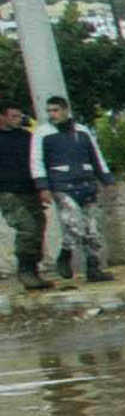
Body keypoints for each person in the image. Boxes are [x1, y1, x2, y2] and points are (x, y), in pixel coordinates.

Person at [32, 96, 115, 284]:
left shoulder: (82, 131)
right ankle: (65, 253)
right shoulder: (43, 133)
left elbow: (96, 156)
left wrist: (107, 178)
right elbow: (36, 160)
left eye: (55, 110)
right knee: (74, 224)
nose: (52, 114)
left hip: (86, 183)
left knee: (93, 228)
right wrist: (42, 186)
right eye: (49, 111)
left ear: (65, 110)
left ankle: (93, 268)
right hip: (62, 185)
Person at [0, 102, 44, 291]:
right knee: (27, 228)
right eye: (13, 116)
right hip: (8, 191)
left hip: (30, 189)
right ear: (2, 117)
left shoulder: (27, 137)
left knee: (38, 227)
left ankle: (33, 271)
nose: (18, 120)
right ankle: (25, 271)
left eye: (19, 116)